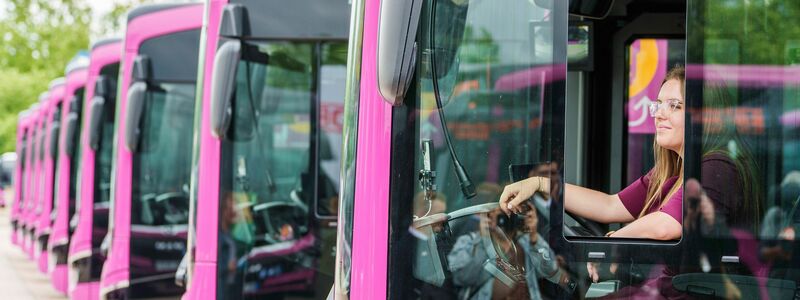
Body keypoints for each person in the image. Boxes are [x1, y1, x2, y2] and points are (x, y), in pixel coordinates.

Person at [500, 65, 687, 241]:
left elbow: (665, 226)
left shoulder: (710, 167)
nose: (660, 114)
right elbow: (609, 206)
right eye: (659, 104)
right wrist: (539, 183)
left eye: (675, 106)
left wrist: (612, 243)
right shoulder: (668, 176)